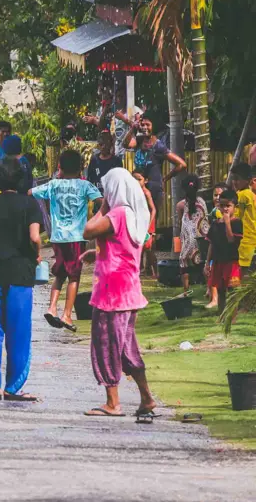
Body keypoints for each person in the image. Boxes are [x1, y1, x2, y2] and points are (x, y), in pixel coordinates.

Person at [81, 168, 158, 420]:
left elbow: (87, 230)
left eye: (107, 190)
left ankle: (112, 403)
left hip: (111, 292)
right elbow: (123, 247)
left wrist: (103, 206)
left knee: (106, 345)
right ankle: (146, 398)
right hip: (128, 289)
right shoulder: (135, 214)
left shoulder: (116, 214)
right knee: (126, 348)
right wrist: (98, 253)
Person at [0, 157, 43, 402]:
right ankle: (13, 387)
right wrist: (37, 254)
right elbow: (35, 237)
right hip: (20, 273)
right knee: (18, 332)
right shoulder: (29, 203)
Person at [30, 150, 102, 331]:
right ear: (81, 168)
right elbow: (102, 201)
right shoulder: (85, 186)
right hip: (76, 237)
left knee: (60, 274)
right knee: (74, 277)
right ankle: (67, 315)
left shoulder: (53, 185)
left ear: (59, 167)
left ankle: (52, 307)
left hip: (57, 237)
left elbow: (31, 192)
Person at [122, 112, 187, 220]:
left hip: (154, 190)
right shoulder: (139, 141)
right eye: (143, 125)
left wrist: (165, 178)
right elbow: (125, 144)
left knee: (150, 222)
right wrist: (132, 129)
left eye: (148, 125)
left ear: (153, 127)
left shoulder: (158, 146)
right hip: (138, 188)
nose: (145, 127)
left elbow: (182, 164)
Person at [206, 188, 242, 312]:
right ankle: (221, 315)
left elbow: (231, 240)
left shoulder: (237, 223)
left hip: (231, 262)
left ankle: (232, 316)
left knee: (232, 289)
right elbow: (211, 244)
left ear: (234, 207)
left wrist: (227, 223)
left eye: (228, 206)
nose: (225, 209)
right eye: (222, 206)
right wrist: (207, 263)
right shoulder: (215, 224)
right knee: (220, 289)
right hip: (217, 261)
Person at [176, 174, 209, 293]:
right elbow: (205, 221)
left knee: (184, 261)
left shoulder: (180, 205)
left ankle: (186, 290)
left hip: (188, 239)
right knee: (203, 262)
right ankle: (209, 290)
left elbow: (182, 223)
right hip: (201, 238)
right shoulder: (202, 202)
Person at [229, 163, 256, 279]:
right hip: (252, 238)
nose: (234, 182)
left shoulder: (241, 195)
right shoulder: (252, 195)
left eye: (237, 179)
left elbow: (235, 215)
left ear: (248, 181)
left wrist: (218, 215)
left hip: (245, 240)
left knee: (244, 275)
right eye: (233, 179)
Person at [131, 169, 159, 279]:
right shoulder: (132, 193)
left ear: (145, 181)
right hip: (137, 224)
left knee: (149, 250)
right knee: (137, 249)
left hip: (147, 225)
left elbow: (153, 209)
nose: (136, 182)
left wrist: (149, 224)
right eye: (134, 179)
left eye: (139, 179)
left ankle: (156, 272)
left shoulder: (146, 193)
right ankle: (139, 271)